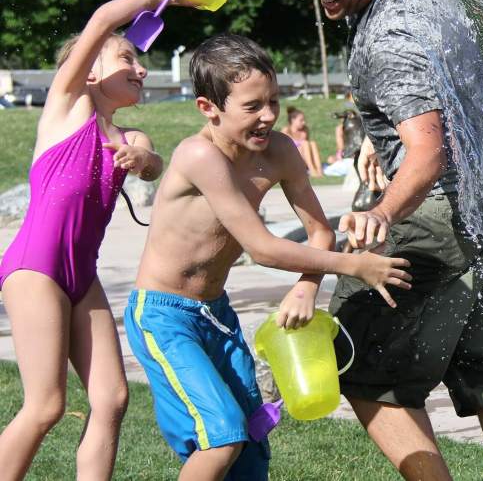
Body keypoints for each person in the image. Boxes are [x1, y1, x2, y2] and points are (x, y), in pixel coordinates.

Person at [123, 33, 411, 481]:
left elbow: (319, 231)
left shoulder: (279, 152)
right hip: (164, 316)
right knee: (221, 435)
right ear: (209, 108)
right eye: (252, 106)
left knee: (251, 446)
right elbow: (261, 247)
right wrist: (354, 265)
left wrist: (306, 285)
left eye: (273, 101)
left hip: (215, 314)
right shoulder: (199, 155)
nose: (269, 116)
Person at [307, 0, 483, 480]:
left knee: (359, 367)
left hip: (432, 216)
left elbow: (429, 150)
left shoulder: (388, 37)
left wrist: (382, 212)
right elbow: (446, 105)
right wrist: (381, 135)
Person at [0, 0, 171, 480]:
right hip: (37, 268)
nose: (141, 69)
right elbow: (100, 21)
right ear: (89, 69)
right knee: (46, 406)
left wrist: (145, 161)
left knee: (112, 398)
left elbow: (152, 163)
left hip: (81, 277)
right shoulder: (67, 108)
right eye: (128, 59)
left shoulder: (130, 138)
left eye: (141, 62)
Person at [281, 106, 324, 177]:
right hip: (292, 159)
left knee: (312, 143)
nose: (304, 122)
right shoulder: (286, 131)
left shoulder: (305, 130)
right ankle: (312, 170)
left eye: (304, 120)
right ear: (293, 120)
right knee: (305, 143)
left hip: (304, 160)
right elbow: (283, 150)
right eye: (301, 120)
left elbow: (308, 150)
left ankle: (319, 170)